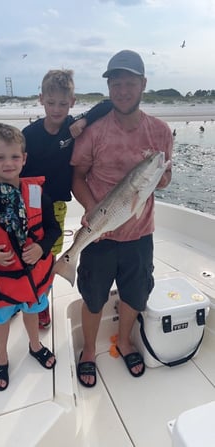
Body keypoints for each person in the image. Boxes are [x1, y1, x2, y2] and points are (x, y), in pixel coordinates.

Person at [71, 50, 173, 387]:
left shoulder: (160, 131)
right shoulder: (95, 132)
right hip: (101, 231)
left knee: (135, 295)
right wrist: (90, 211)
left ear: (143, 84)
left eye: (130, 83)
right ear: (109, 88)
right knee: (94, 296)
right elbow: (78, 177)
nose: (123, 90)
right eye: (116, 84)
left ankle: (125, 340)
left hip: (141, 234)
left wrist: (161, 179)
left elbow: (165, 176)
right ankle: (88, 351)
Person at [0, 123, 61, 391]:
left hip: (31, 277)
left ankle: (35, 345)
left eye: (15, 156)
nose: (8, 163)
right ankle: (2, 359)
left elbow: (53, 229)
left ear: (24, 159)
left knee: (32, 310)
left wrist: (41, 247)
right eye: (0, 157)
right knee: (1, 320)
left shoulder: (40, 196)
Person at [20, 69, 112, 329]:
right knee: (24, 252)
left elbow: (106, 105)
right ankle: (16, 298)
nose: (57, 109)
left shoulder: (74, 125)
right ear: (41, 100)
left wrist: (84, 121)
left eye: (63, 103)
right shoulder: (29, 134)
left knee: (49, 255)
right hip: (28, 204)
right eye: (51, 103)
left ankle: (41, 303)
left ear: (72, 102)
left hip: (57, 205)